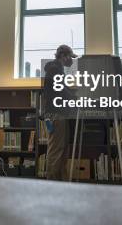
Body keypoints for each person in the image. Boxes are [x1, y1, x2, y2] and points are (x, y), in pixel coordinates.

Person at [43, 44, 77, 181]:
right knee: (56, 151)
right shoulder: (54, 69)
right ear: (63, 56)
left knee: (62, 150)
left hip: (57, 114)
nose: (72, 60)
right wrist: (75, 99)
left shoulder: (56, 69)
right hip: (56, 115)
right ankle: (52, 184)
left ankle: (61, 183)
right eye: (70, 57)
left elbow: (62, 89)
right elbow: (61, 91)